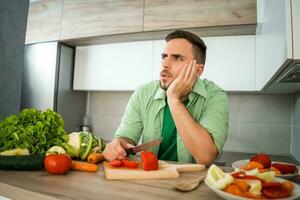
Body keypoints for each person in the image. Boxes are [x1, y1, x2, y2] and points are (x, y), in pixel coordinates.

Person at [103, 29, 228, 165]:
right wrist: (117, 145)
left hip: (192, 183)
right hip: (151, 178)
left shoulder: (215, 96)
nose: (165, 64)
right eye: (164, 56)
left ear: (198, 70)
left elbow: (206, 157)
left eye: (178, 58)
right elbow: (125, 138)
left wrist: (173, 99)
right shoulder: (143, 93)